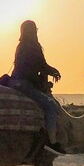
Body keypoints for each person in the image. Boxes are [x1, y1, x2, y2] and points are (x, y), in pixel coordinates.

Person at [7, 20, 65, 155]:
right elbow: (40, 65)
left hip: (15, 82)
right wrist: (54, 71)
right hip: (24, 84)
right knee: (51, 105)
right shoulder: (33, 46)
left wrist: (50, 70)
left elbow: (38, 65)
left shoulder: (21, 46)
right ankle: (51, 142)